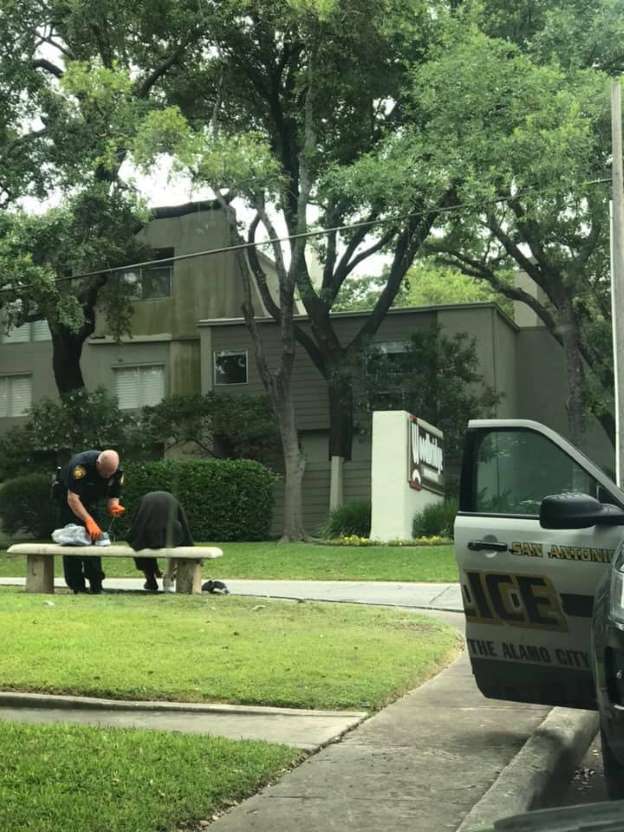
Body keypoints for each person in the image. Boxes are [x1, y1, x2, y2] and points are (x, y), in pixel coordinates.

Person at [55, 449, 125, 594]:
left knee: (96, 541)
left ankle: (96, 585)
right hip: (69, 503)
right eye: (105, 472)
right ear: (98, 463)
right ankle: (77, 587)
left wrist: (113, 506)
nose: (107, 476)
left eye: (110, 473)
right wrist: (88, 521)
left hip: (91, 503)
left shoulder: (116, 471)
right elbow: (72, 499)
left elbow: (114, 494)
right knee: (73, 543)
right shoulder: (80, 467)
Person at [127, 491, 193, 591]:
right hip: (172, 536)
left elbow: (137, 524)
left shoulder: (145, 501)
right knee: (177, 542)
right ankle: (169, 575)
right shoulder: (172, 500)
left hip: (148, 536)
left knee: (139, 541)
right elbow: (183, 522)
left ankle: (150, 578)